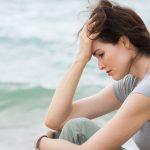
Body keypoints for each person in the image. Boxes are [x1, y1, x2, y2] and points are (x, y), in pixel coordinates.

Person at [35, 0, 150, 149]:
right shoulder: (132, 84)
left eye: (101, 54)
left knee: (70, 134)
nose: (100, 66)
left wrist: (41, 142)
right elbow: (56, 120)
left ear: (124, 42)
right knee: (74, 129)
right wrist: (81, 59)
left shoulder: (146, 92)